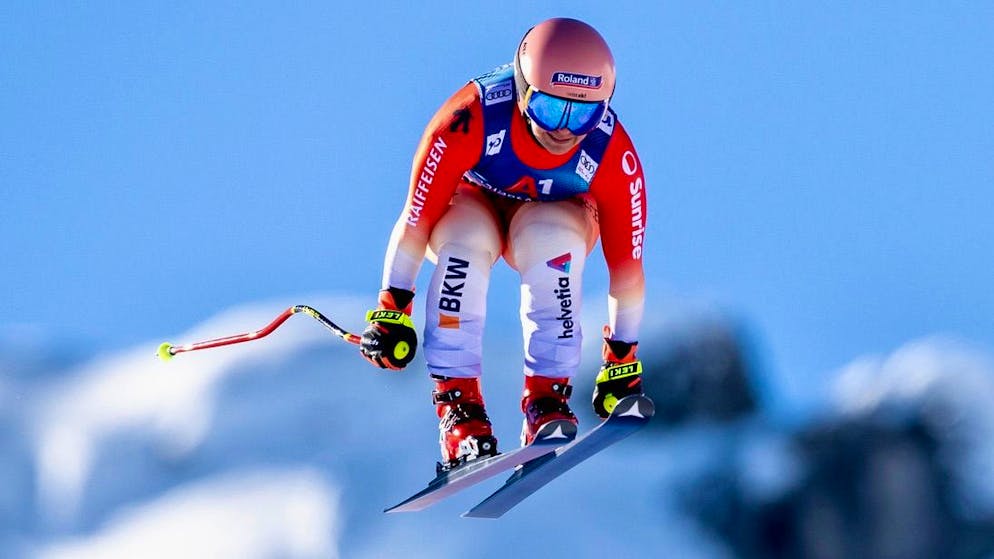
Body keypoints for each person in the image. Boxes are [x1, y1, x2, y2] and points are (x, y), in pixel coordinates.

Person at [359, 17, 647, 472]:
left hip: (558, 214)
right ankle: (459, 412)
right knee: (463, 246)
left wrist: (622, 358)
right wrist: (392, 307)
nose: (564, 131)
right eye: (550, 109)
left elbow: (627, 271)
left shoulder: (612, 152)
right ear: (522, 90)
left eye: (584, 115)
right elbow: (416, 219)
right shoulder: (470, 116)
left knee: (551, 244)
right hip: (473, 203)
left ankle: (547, 401)